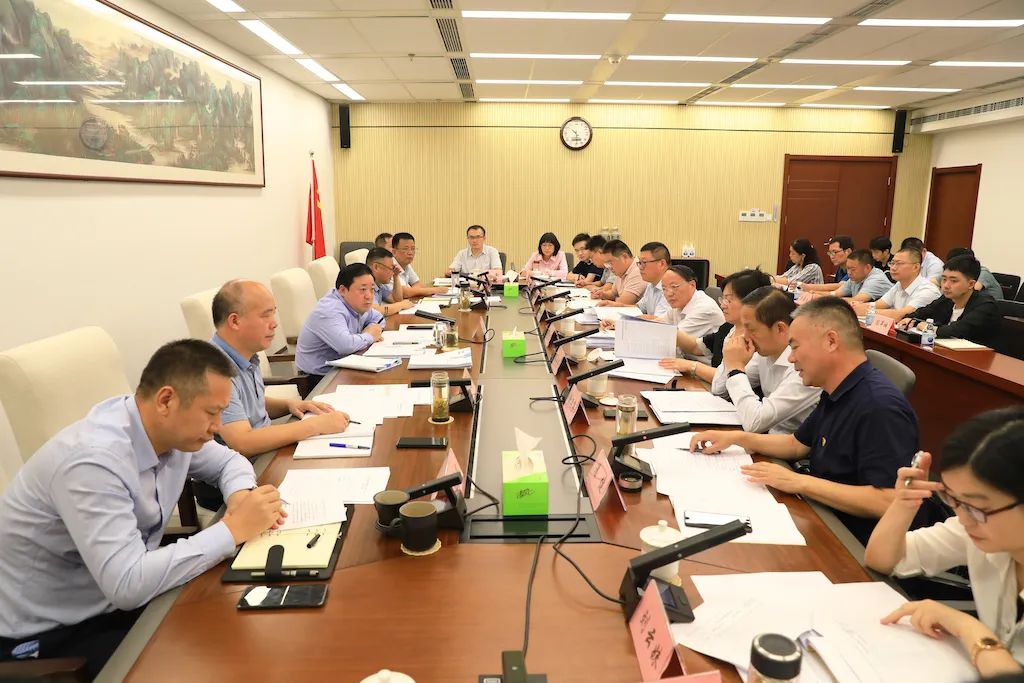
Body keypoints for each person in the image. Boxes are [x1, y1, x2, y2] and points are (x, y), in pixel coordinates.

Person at [0, 340, 285, 676]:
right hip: (50, 633)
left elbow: (229, 462)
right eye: (211, 413)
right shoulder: (93, 462)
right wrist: (232, 530)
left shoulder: (168, 430)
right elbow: (127, 584)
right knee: (205, 657)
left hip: (114, 591)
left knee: (239, 622)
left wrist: (239, 496)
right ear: (166, 400)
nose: (217, 427)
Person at [692, 297, 926, 545]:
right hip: (823, 514)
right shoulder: (837, 388)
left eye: (795, 347)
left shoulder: (879, 406)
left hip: (855, 541)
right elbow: (797, 444)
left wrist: (800, 482)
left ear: (831, 341)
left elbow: (888, 500)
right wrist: (737, 438)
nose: (792, 358)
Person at [865, 407, 1024, 677]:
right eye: (953, 499)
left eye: (977, 507)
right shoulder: (974, 529)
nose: (963, 518)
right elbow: (881, 559)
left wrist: (967, 627)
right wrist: (904, 502)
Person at [209, 280, 350, 459]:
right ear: (235, 321)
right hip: (246, 468)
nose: (274, 323)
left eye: (273, 314)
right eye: (265, 315)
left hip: (266, 453)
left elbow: (247, 406)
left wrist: (289, 405)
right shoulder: (214, 370)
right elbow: (243, 442)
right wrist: (316, 425)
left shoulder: (246, 354)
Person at [710, 287, 820, 434]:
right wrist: (730, 361)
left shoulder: (805, 364)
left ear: (780, 328)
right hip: (769, 439)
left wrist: (736, 368)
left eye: (751, 329)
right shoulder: (764, 351)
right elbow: (718, 390)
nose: (745, 337)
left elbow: (755, 423)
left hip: (790, 445)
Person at [658, 268, 771, 382]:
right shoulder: (728, 327)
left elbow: (730, 378)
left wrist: (692, 366)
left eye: (729, 300)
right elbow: (696, 347)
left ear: (751, 301)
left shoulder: (758, 340)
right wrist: (663, 330)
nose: (722, 305)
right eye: (723, 299)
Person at [296, 263, 385, 384]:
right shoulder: (329, 310)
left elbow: (379, 319)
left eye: (372, 289)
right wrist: (369, 336)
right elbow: (346, 345)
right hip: (320, 378)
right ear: (343, 290)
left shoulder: (355, 303)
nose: (369, 296)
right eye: (363, 289)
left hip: (345, 367)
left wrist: (370, 329)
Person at [897, 255, 1001, 346]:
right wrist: (910, 319)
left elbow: (958, 330)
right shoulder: (947, 299)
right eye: (944, 279)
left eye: (953, 281)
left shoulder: (986, 305)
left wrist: (929, 328)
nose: (946, 286)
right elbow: (921, 313)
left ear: (971, 284)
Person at [854, 247, 941, 320]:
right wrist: (858, 306)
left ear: (916, 267)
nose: (893, 268)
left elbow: (900, 315)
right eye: (892, 263)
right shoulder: (899, 284)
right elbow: (878, 304)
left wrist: (866, 311)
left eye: (899, 264)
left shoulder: (928, 290)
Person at [599, 241, 671, 317]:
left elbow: (660, 321)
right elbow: (640, 307)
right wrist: (615, 305)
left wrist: (623, 321)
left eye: (644, 263)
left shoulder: (671, 287)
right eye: (640, 263)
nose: (640, 267)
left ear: (662, 264)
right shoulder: (651, 284)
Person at [391, 231, 448, 298]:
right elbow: (403, 292)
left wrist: (411, 291)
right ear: (394, 252)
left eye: (413, 249)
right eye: (405, 249)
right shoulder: (390, 266)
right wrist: (435, 290)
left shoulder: (406, 264)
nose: (410, 253)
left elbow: (418, 283)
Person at [591, 240, 646, 305]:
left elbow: (623, 302)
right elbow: (613, 293)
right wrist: (602, 294)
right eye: (606, 263)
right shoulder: (621, 271)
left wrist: (608, 301)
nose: (609, 267)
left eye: (610, 263)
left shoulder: (638, 270)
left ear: (624, 257)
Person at [365, 246, 412, 317]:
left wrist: (396, 276)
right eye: (390, 268)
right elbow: (374, 311)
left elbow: (396, 299)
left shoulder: (379, 284)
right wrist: (400, 305)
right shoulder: (365, 283)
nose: (392, 272)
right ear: (376, 267)